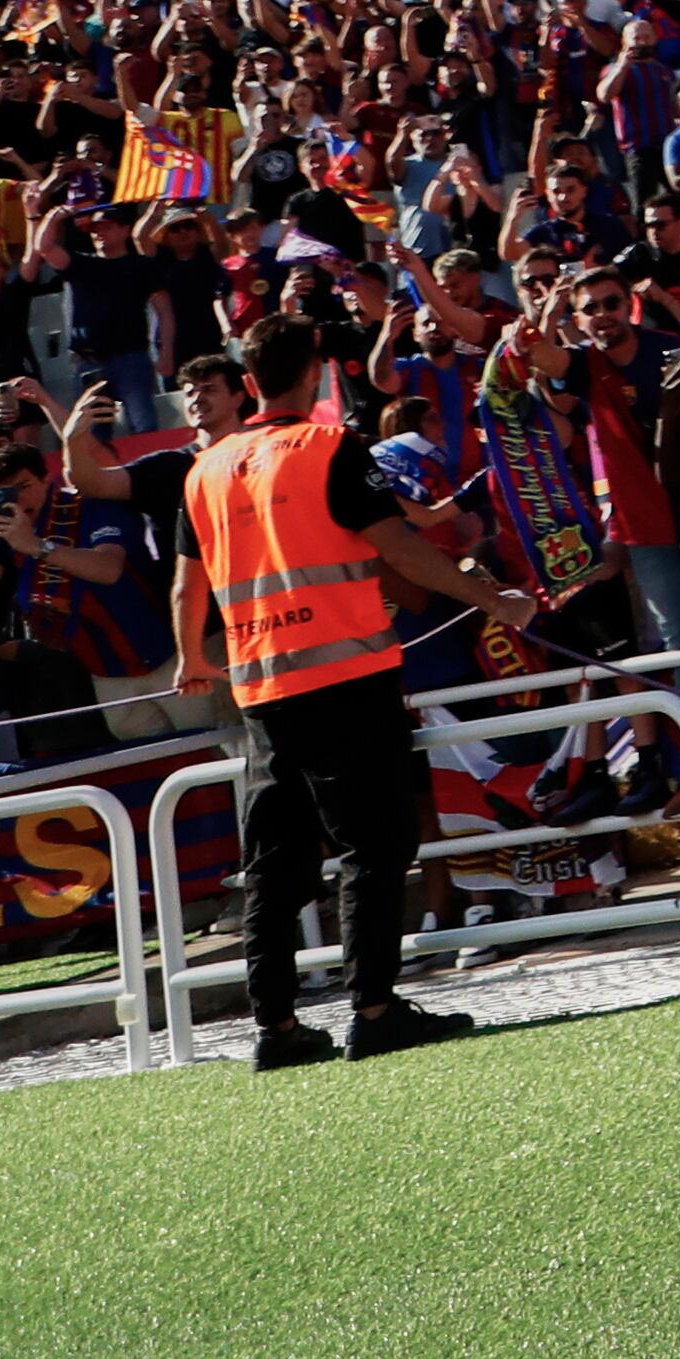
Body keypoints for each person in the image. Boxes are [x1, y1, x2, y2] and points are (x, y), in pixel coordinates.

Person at [172, 314, 539, 1067]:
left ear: (247, 383)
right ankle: (374, 1007)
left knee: (275, 858)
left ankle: (274, 1028)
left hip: (261, 682)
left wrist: (191, 659)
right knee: (374, 845)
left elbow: (187, 585)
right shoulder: (329, 447)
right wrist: (494, 601)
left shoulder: (203, 469)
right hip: (347, 673)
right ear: (318, 373)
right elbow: (399, 545)